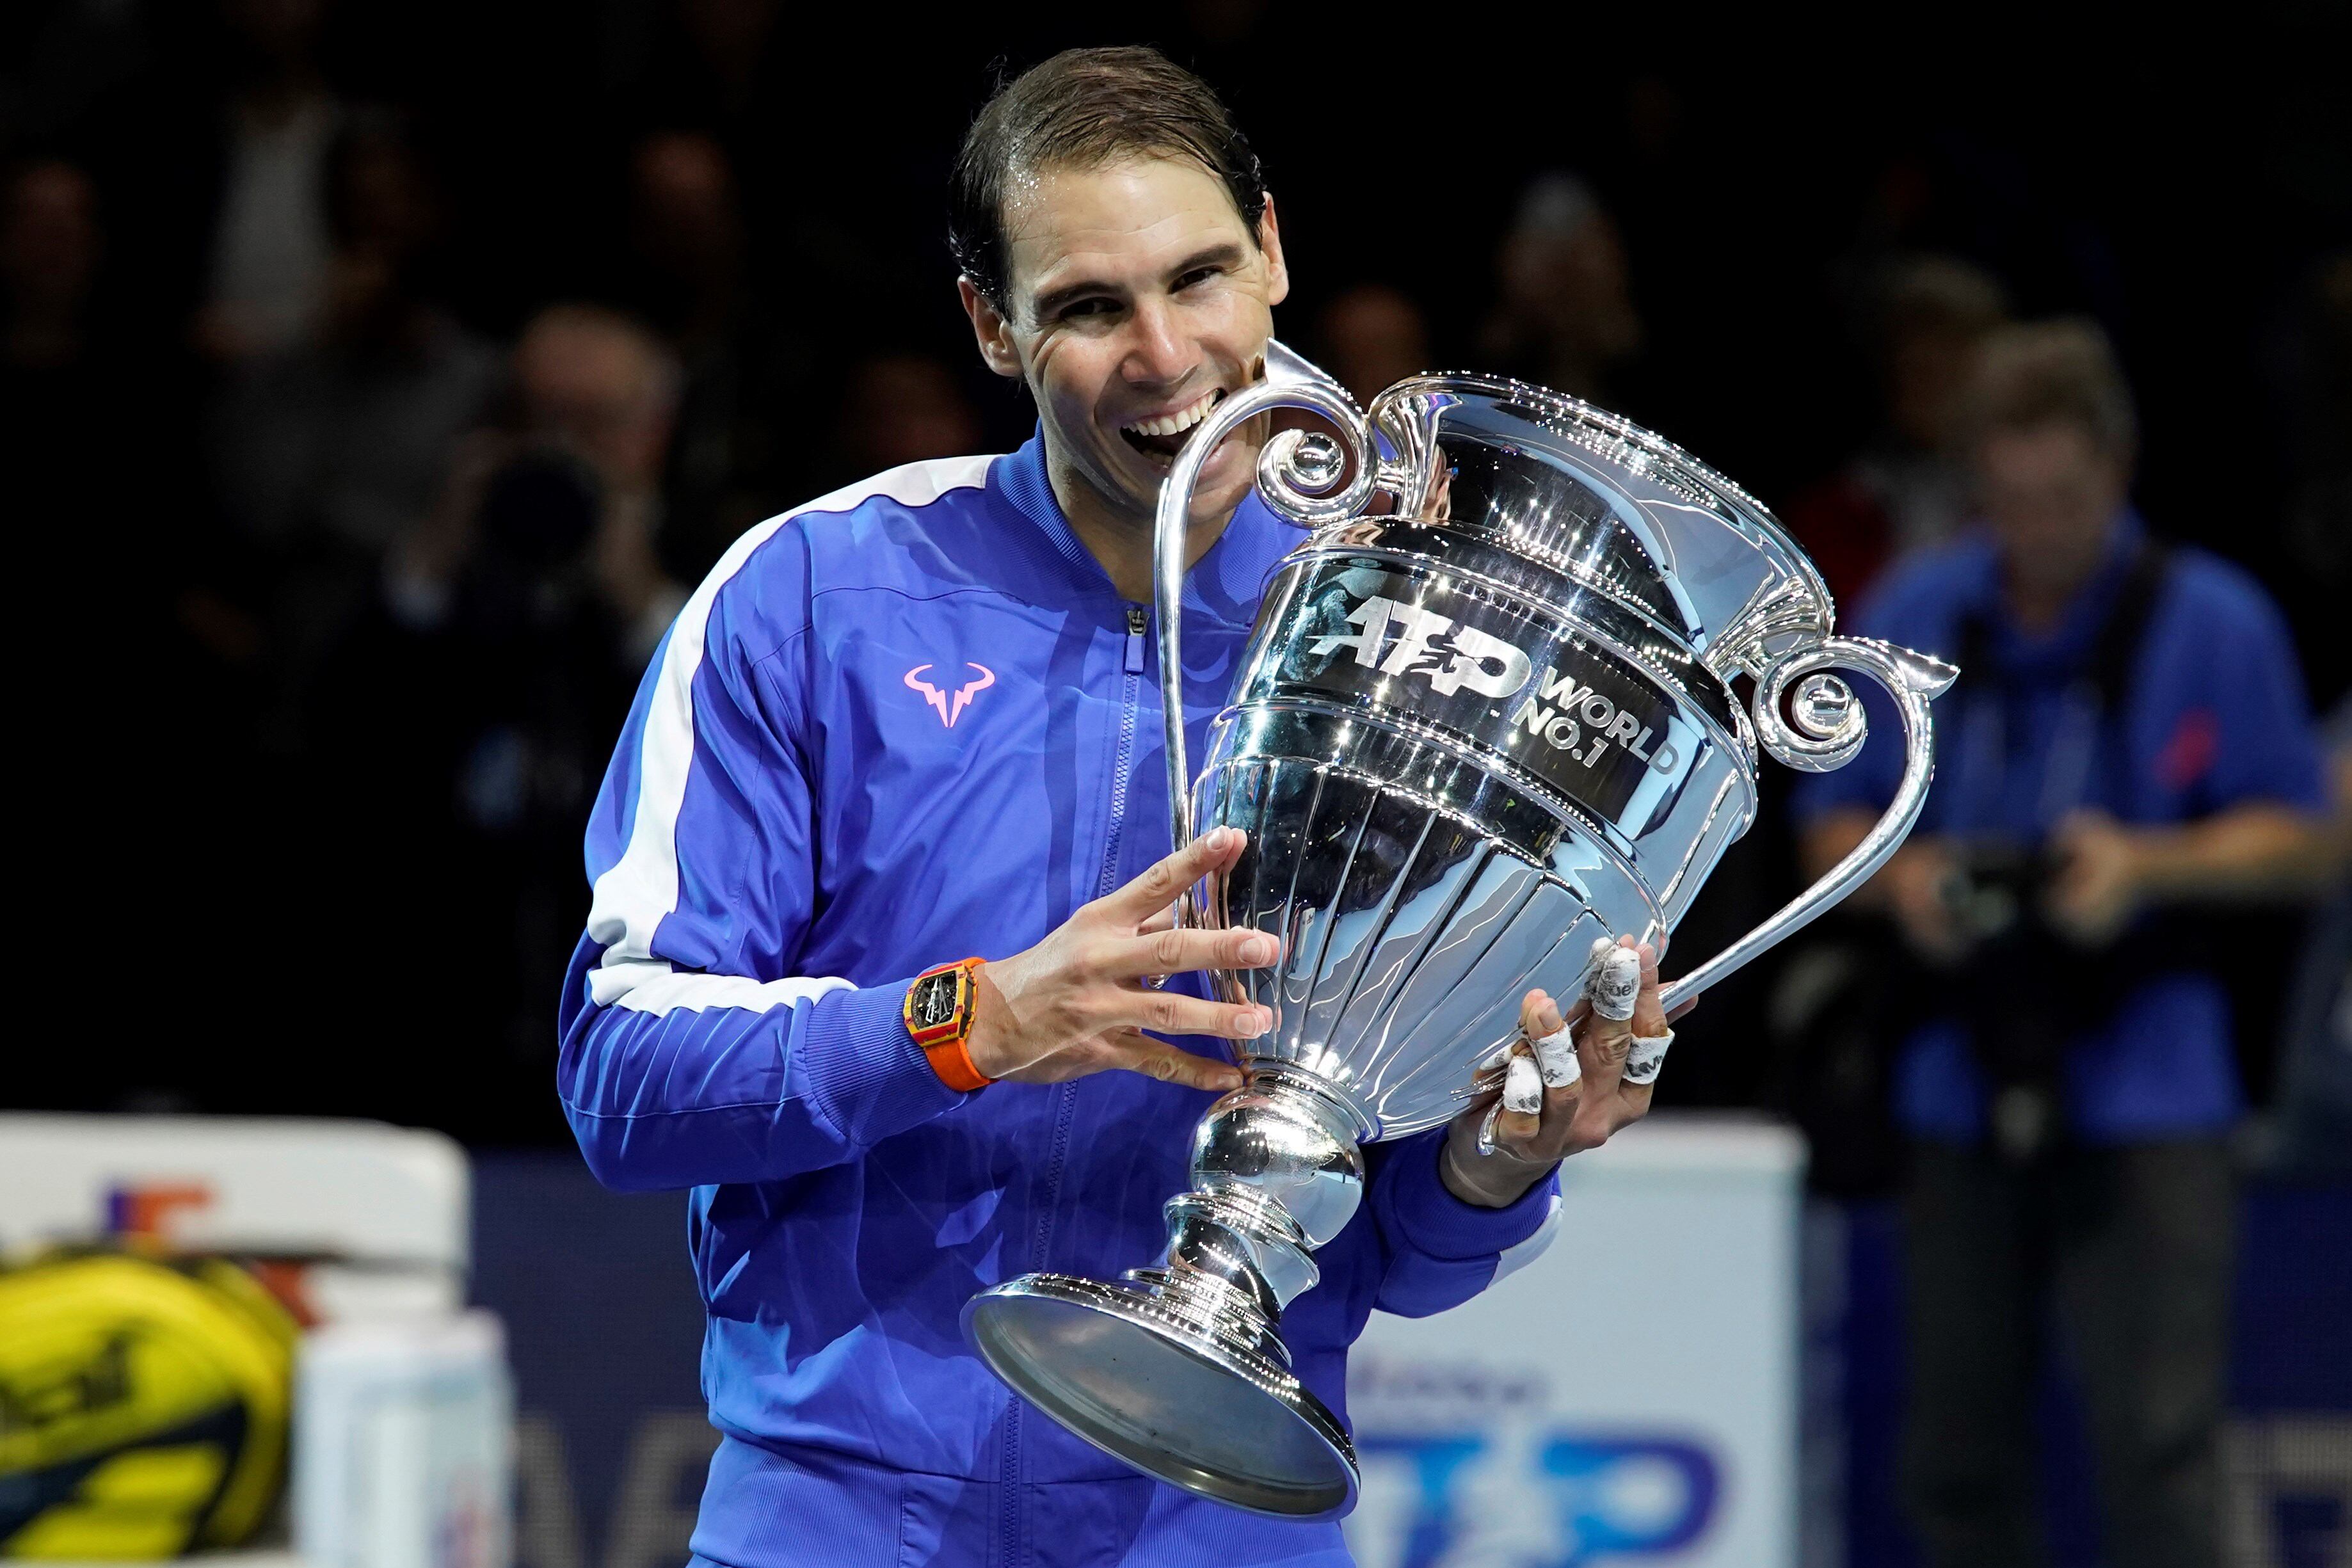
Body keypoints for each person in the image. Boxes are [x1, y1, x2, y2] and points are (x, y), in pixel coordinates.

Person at [557, 48, 1672, 1568]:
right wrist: (974, 1022)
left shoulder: (1420, 642)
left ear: (1269, 250)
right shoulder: (814, 593)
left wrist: (1497, 1159)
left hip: (1221, 1516)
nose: (1162, 355)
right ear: (991, 326)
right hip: (837, 1517)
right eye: (1088, 305)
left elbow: (1402, 1252)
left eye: (1198, 277)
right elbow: (622, 1081)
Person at [1795, 320, 2327, 1568]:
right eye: (2010, 503)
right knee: (1954, 1450)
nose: (2037, 532)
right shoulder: (1917, 607)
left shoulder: (2215, 619)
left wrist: (2148, 865)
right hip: (1957, 1068)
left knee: (2159, 1444)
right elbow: (1825, 824)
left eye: (2064, 501)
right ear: (1974, 484)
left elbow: (2303, 838)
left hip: (2149, 1077)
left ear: (2118, 468)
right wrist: (1905, 880)